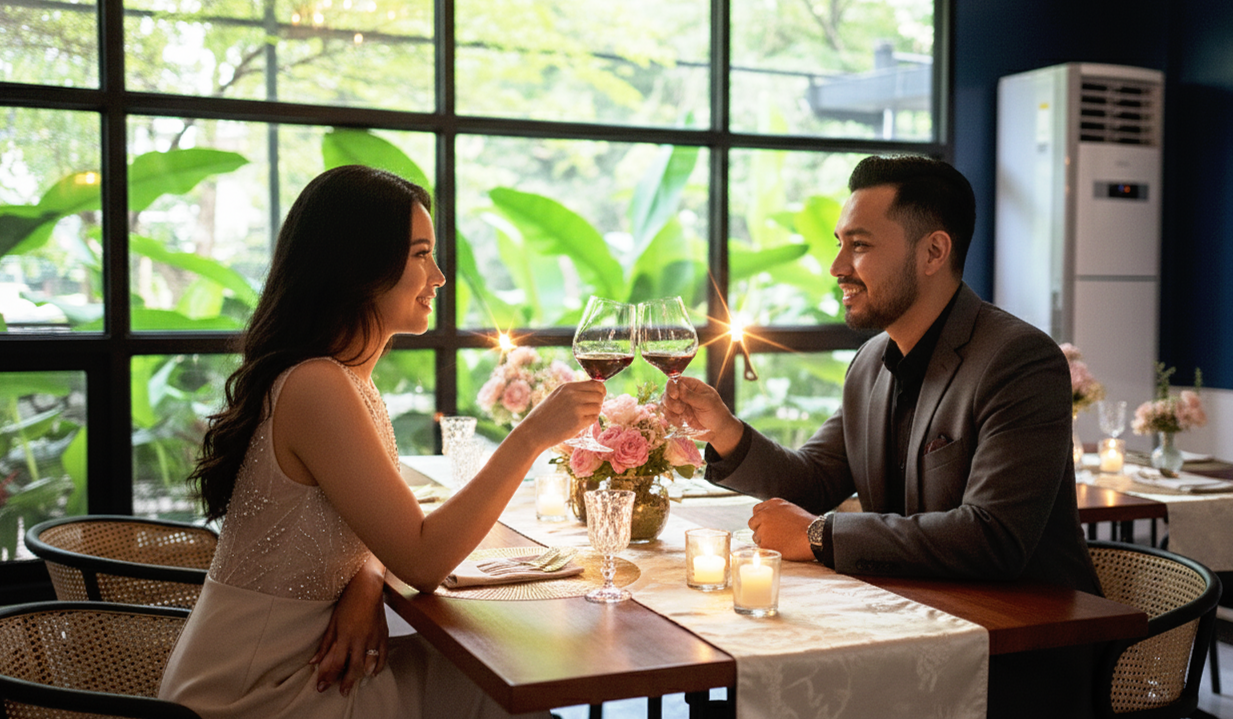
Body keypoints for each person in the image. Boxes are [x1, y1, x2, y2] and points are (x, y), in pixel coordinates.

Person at [664, 155, 1102, 717]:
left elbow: (994, 538)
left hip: (1015, 655)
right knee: (738, 690)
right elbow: (814, 480)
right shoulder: (871, 361)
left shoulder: (1018, 359)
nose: (836, 266)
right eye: (840, 243)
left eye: (860, 246)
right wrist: (723, 430)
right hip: (904, 625)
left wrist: (820, 536)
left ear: (933, 253)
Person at [159, 165, 604, 719]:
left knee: (500, 676)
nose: (439, 277)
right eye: (421, 254)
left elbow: (380, 529)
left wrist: (368, 577)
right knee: (503, 682)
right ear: (359, 268)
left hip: (306, 665)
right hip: (256, 693)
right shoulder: (316, 385)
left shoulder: (348, 380)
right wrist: (533, 433)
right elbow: (421, 558)